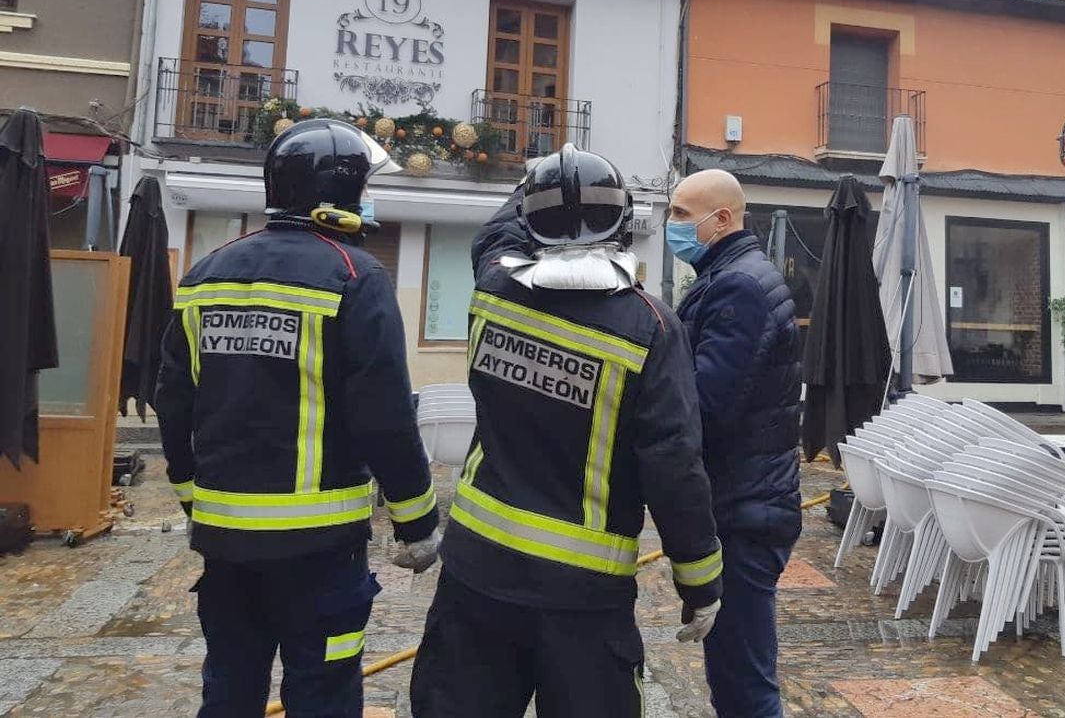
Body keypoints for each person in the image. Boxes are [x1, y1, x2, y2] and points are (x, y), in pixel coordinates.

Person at [410, 144, 723, 718]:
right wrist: (698, 580)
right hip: (582, 594)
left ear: (529, 218)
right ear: (623, 222)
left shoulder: (494, 290)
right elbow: (673, 465)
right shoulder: (649, 326)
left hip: (478, 570)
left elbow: (496, 238)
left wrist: (544, 179)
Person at [155, 118, 440, 718]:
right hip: (321, 550)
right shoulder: (356, 276)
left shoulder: (206, 274)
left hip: (225, 543)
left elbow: (174, 400)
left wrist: (192, 501)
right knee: (324, 692)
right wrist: (417, 522)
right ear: (344, 191)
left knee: (230, 684)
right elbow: (385, 415)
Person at [668, 169, 802, 718]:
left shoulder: (738, 287)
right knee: (734, 670)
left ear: (721, 218)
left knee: (744, 682)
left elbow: (702, 405)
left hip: (746, 511)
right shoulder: (725, 276)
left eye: (680, 214)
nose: (672, 224)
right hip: (747, 499)